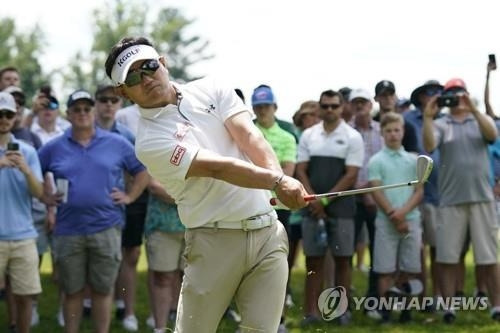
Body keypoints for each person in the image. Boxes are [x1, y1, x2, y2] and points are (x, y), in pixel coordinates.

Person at [104, 36, 308, 333]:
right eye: (134, 76)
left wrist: (279, 182)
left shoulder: (212, 87)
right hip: (213, 241)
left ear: (163, 62)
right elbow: (216, 167)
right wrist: (277, 181)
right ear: (122, 92)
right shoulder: (148, 141)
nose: (146, 78)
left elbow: (250, 138)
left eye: (149, 66)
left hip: (267, 232)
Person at [38, 89, 150, 333]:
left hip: (106, 228)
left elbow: (142, 171)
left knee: (103, 290)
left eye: (86, 109)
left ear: (92, 112)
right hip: (68, 230)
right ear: (68, 114)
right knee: (72, 291)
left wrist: (130, 196)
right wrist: (44, 196)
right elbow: (34, 171)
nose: (82, 114)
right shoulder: (54, 147)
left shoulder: (117, 143)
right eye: (76, 109)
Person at [423, 78, 500, 323]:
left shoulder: (478, 120)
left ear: (467, 94)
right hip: (450, 201)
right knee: (447, 256)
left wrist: (474, 110)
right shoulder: (442, 123)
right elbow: (429, 144)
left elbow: (492, 134)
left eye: (459, 93)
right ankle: (448, 307)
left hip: (481, 199)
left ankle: (496, 305)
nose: (455, 98)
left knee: (488, 256)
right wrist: (427, 117)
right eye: (451, 94)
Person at [296, 89, 364, 326]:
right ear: (319, 108)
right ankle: (311, 312)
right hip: (311, 207)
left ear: (342, 107)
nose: (330, 110)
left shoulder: (353, 136)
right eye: (325, 106)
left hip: (342, 208)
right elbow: (301, 169)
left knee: (343, 259)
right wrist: (313, 199)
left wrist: (324, 200)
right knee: (313, 261)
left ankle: (340, 311)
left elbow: (351, 174)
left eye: (334, 106)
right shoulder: (308, 135)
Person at [368, 112, 424, 323]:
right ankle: (386, 312)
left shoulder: (413, 160)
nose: (393, 134)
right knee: (385, 269)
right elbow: (376, 190)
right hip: (386, 221)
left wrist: (403, 213)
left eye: (396, 130)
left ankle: (406, 312)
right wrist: (394, 215)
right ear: (382, 133)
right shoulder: (376, 160)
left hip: (411, 220)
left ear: (403, 131)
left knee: (409, 269)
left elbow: (419, 191)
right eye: (388, 131)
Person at [251, 84, 297, 330]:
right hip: (251, 207)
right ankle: (251, 321)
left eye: (266, 106)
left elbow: (286, 175)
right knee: (250, 266)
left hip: (278, 208)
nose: (262, 111)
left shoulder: (287, 137)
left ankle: (277, 320)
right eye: (257, 107)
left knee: (277, 265)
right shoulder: (246, 133)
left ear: (275, 107)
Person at [0, 91, 43, 333]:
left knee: (26, 295)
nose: (4, 119)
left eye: (8, 114)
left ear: (15, 116)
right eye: (0, 114)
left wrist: (26, 170)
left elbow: (39, 194)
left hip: (23, 235)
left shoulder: (27, 152)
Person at [406, 79, 444, 308]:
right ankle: (420, 297)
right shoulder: (408, 120)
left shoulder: (446, 119)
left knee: (439, 249)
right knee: (417, 248)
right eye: (431, 92)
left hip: (441, 194)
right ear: (421, 96)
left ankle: (438, 296)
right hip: (415, 193)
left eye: (440, 92)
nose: (436, 96)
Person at [349, 88, 383, 311]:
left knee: (377, 252)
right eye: (356, 103)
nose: (360, 106)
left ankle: (373, 300)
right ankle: (345, 301)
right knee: (346, 252)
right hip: (351, 200)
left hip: (377, 200)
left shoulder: (381, 130)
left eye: (363, 102)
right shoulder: (345, 132)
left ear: (371, 105)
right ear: (351, 106)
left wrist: (372, 192)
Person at [144, 179, 185, 333]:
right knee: (162, 278)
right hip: (162, 226)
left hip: (197, 226)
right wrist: (191, 199)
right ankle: (160, 328)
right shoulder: (156, 153)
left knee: (192, 280)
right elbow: (154, 186)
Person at [373, 80, 419, 153]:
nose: (388, 98)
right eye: (384, 95)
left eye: (391, 94)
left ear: (395, 97)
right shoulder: (370, 124)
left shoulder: (407, 126)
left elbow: (413, 156)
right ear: (376, 98)